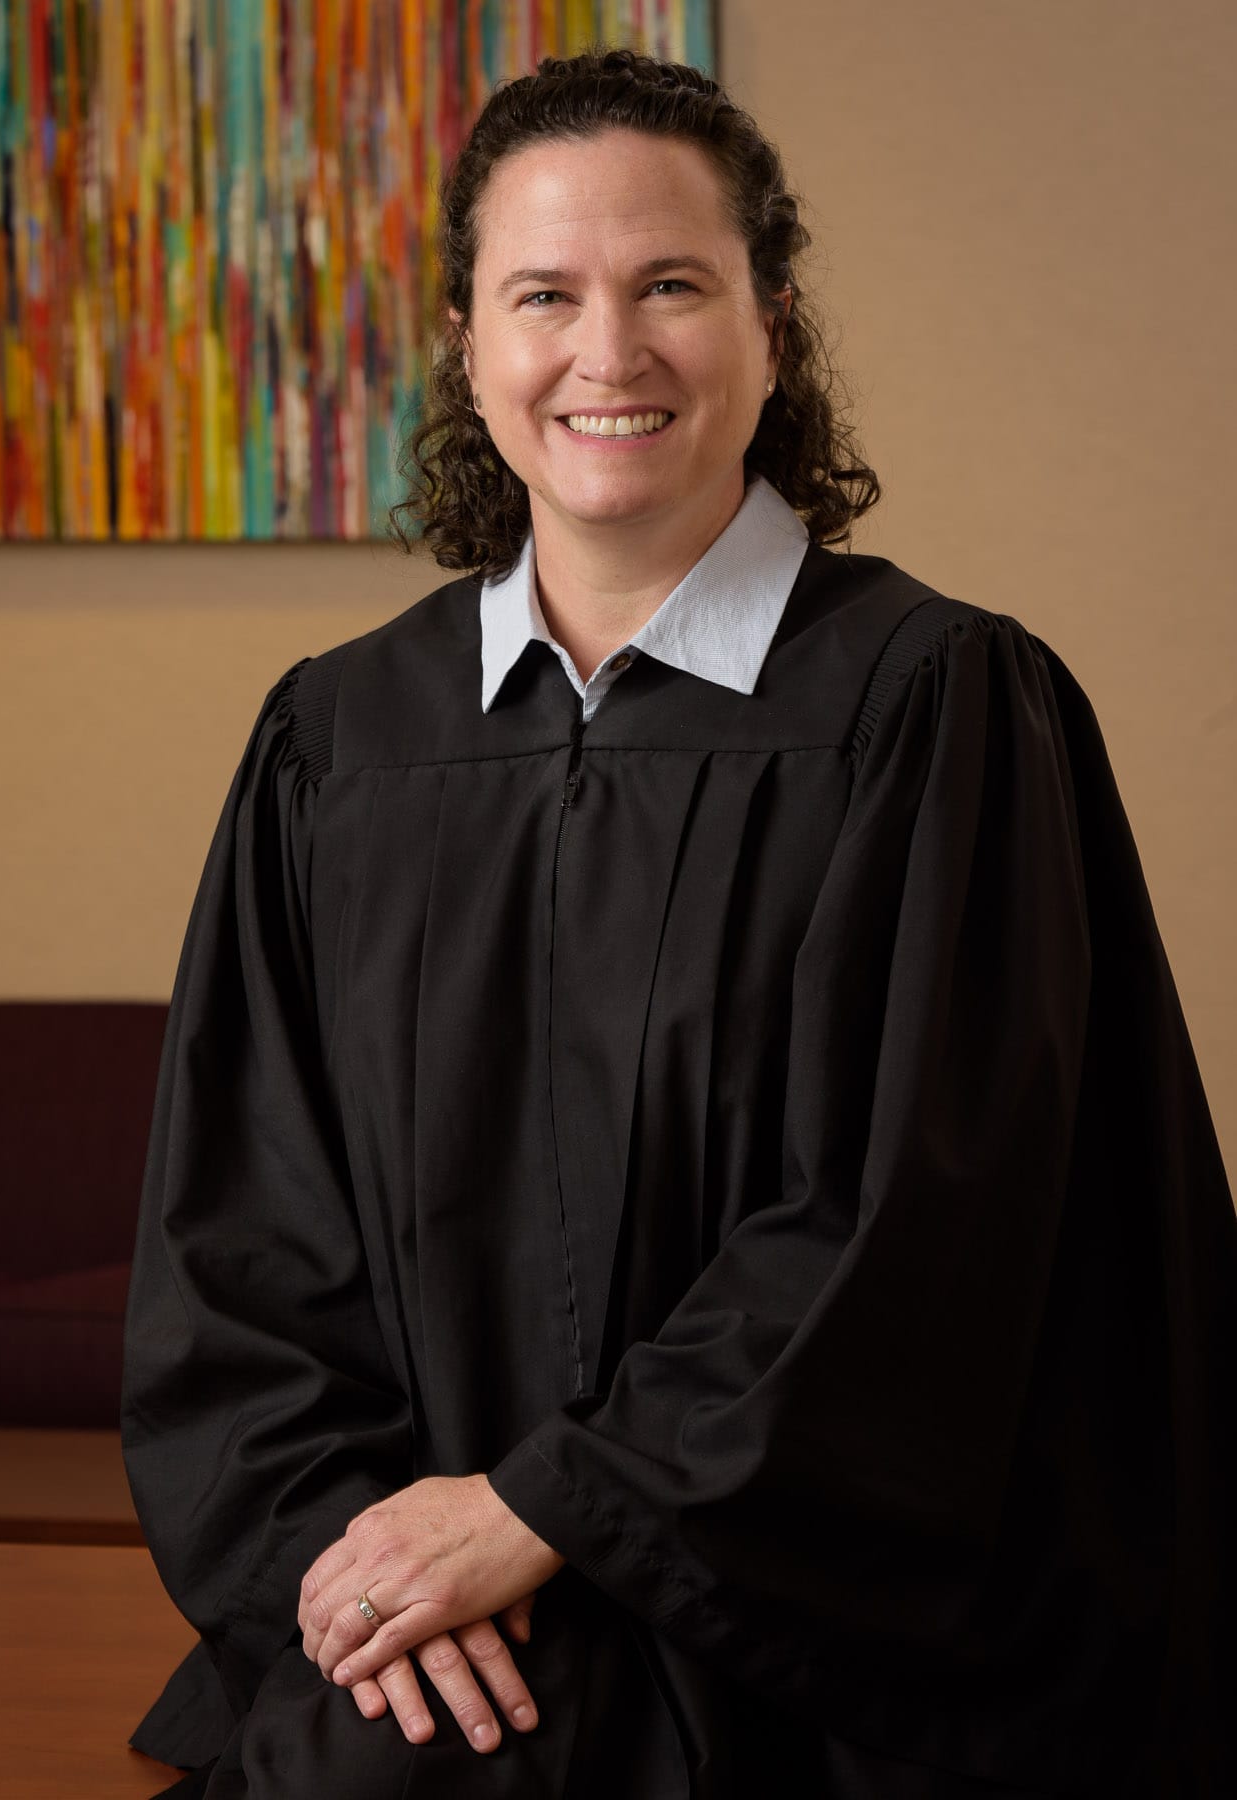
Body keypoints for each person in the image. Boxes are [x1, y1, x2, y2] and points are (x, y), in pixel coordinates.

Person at [120, 46, 1236, 1800]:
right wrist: (364, 1570)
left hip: (810, 1655)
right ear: (469, 345)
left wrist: (548, 1513)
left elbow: (919, 1231)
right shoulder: (338, 744)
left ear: (772, 327)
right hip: (428, 1647)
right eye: (543, 295)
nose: (608, 352)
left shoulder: (930, 708)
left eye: (672, 287)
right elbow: (239, 1248)